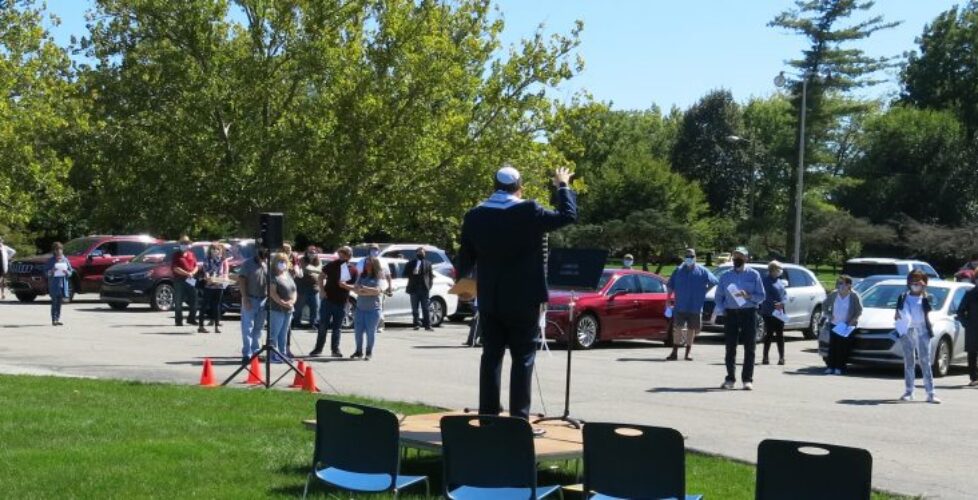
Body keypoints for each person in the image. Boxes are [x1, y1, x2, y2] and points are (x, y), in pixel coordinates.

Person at [456, 164, 577, 422]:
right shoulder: (528, 210)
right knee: (523, 357)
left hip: (490, 298)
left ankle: (488, 414)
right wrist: (563, 185)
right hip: (524, 299)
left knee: (491, 355)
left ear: (494, 186)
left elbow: (465, 256)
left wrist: (464, 287)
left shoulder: (475, 215)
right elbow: (567, 215)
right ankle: (518, 418)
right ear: (519, 187)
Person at [714, 246, 765, 390]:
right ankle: (730, 379)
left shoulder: (754, 275)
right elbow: (719, 296)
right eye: (735, 256)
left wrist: (749, 296)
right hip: (731, 313)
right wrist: (722, 308)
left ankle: (747, 380)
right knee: (730, 347)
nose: (737, 259)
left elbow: (762, 296)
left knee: (750, 347)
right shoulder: (725, 276)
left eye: (740, 256)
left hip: (749, 312)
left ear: (746, 258)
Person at [895, 270, 940, 404]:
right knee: (909, 361)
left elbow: (930, 307)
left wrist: (924, 291)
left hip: (922, 330)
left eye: (919, 281)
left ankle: (930, 393)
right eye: (913, 281)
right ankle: (909, 391)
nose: (915, 284)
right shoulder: (903, 296)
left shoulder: (927, 297)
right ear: (908, 282)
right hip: (907, 330)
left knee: (925, 361)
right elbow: (898, 311)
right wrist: (897, 316)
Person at [665, 248, 718, 361]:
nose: (689, 258)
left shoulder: (702, 271)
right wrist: (668, 299)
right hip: (680, 305)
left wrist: (705, 291)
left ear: (695, 257)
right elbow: (670, 285)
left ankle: (687, 353)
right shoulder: (678, 270)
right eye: (687, 256)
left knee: (691, 329)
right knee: (678, 328)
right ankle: (674, 352)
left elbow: (714, 281)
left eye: (691, 256)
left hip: (695, 305)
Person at [310, 246, 358, 358]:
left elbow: (355, 286)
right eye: (340, 254)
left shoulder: (353, 269)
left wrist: (346, 286)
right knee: (323, 326)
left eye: (344, 255)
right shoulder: (332, 264)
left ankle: (335, 349)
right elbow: (321, 277)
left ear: (349, 256)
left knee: (337, 327)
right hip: (328, 299)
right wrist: (321, 291)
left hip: (342, 301)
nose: (341, 256)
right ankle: (318, 349)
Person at [351, 256, 391, 360]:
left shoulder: (379, 277)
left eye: (369, 263)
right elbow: (356, 290)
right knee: (358, 332)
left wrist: (363, 289)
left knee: (370, 333)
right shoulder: (361, 276)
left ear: (374, 265)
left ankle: (368, 352)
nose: (367, 265)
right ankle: (358, 351)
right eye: (366, 263)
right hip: (360, 309)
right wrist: (366, 291)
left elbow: (377, 291)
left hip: (373, 310)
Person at [822, 275, 863, 374]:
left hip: (847, 325)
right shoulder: (834, 294)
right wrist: (828, 315)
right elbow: (824, 305)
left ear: (848, 285)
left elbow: (859, 310)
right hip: (834, 324)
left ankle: (840, 367)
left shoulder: (854, 296)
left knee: (843, 347)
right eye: (838, 283)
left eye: (842, 283)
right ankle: (830, 366)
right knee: (833, 346)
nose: (839, 285)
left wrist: (853, 320)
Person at [237, 247, 269, 364]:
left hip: (264, 300)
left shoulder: (268, 264)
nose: (264, 259)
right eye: (263, 256)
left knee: (258, 329)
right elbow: (241, 280)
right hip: (250, 298)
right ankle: (247, 354)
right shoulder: (248, 264)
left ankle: (256, 352)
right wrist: (245, 297)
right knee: (248, 328)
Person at [269, 252, 297, 362]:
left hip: (289, 309)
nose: (283, 264)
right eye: (280, 261)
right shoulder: (273, 276)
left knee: (284, 333)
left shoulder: (288, 275)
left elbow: (294, 290)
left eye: (285, 261)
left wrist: (292, 301)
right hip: (277, 309)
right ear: (275, 262)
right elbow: (272, 293)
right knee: (275, 332)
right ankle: (272, 354)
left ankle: (282, 353)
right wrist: (282, 302)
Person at [760, 261, 788, 365]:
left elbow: (784, 294)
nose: (780, 271)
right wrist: (775, 303)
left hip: (780, 311)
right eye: (778, 269)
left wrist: (782, 302)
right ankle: (765, 357)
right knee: (769, 334)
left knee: (780, 334)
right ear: (772, 269)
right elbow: (765, 296)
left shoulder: (779, 281)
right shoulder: (765, 281)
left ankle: (781, 357)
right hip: (769, 311)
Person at [198, 243, 229, 334]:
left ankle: (216, 326)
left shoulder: (222, 260)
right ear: (210, 250)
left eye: (217, 249)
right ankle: (201, 326)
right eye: (213, 249)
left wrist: (224, 278)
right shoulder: (207, 259)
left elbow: (225, 272)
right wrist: (209, 278)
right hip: (209, 285)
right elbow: (206, 271)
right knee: (204, 305)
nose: (215, 251)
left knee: (217, 306)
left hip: (219, 285)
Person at [955, 274, 978, 386]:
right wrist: (967, 324)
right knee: (972, 353)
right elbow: (960, 312)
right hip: (973, 328)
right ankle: (974, 378)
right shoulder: (970, 294)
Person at [171, 236, 199, 327]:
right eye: (183, 243)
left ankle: (191, 319)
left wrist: (192, 273)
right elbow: (175, 268)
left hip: (191, 279)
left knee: (194, 299)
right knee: (178, 301)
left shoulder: (191, 254)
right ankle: (178, 320)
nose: (185, 245)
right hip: (179, 279)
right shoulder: (176, 255)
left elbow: (196, 266)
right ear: (180, 244)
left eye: (186, 243)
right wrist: (187, 273)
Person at [406, 247, 435, 331]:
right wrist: (412, 272)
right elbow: (405, 273)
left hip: (424, 289)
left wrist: (429, 286)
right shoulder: (411, 263)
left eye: (423, 253)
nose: (421, 254)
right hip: (414, 289)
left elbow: (430, 276)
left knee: (425, 308)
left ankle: (428, 325)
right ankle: (416, 324)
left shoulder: (428, 263)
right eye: (419, 252)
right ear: (416, 253)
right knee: (415, 308)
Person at [293, 246, 321, 330]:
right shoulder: (302, 260)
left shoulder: (318, 261)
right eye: (310, 252)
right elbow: (306, 269)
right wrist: (316, 272)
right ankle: (296, 323)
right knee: (298, 307)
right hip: (302, 288)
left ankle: (313, 324)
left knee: (315, 307)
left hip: (314, 289)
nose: (312, 254)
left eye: (314, 252)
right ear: (306, 252)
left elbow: (320, 271)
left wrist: (314, 272)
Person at [44, 242, 73, 326]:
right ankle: (54, 319)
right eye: (57, 249)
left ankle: (57, 318)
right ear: (54, 251)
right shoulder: (51, 261)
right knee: (54, 301)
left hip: (63, 285)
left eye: (60, 249)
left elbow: (71, 271)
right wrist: (51, 271)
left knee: (59, 302)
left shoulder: (65, 259)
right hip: (54, 284)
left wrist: (66, 272)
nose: (59, 251)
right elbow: (46, 273)